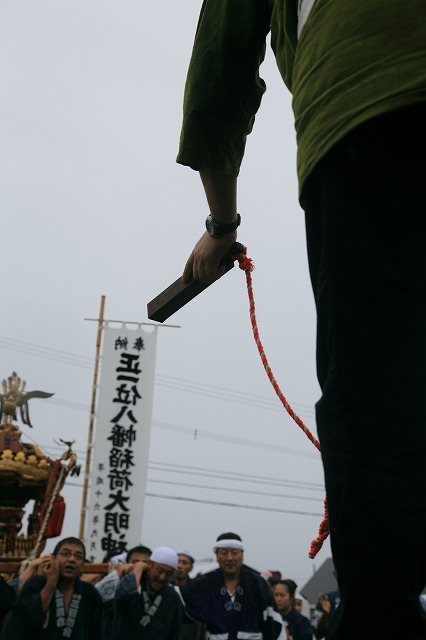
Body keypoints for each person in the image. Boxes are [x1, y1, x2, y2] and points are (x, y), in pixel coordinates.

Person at [176, 2, 426, 638]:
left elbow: (221, 70)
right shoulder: (206, 593)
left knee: (374, 396)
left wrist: (223, 225)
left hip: (370, 108)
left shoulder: (261, 592)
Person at [178, 532, 283, 639]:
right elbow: (181, 598)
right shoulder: (205, 583)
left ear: (242, 556)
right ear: (217, 557)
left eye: (234, 553)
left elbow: (272, 620)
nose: (229, 558)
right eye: (224, 553)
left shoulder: (258, 583)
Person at [1, 537, 102, 640]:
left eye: (78, 556)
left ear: (82, 565)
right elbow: (27, 620)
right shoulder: (36, 584)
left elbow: (97, 632)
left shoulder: (90, 593)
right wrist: (51, 583)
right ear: (53, 559)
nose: (72, 559)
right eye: (65, 554)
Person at [112, 546, 182, 640]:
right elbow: (124, 599)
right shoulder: (133, 583)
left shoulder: (173, 598)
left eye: (168, 574)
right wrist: (138, 568)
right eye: (159, 571)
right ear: (149, 564)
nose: (162, 577)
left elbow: (174, 633)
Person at [97, 545, 152, 640]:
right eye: (135, 562)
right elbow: (98, 596)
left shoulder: (156, 586)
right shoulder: (117, 580)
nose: (139, 565)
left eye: (145, 562)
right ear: (127, 563)